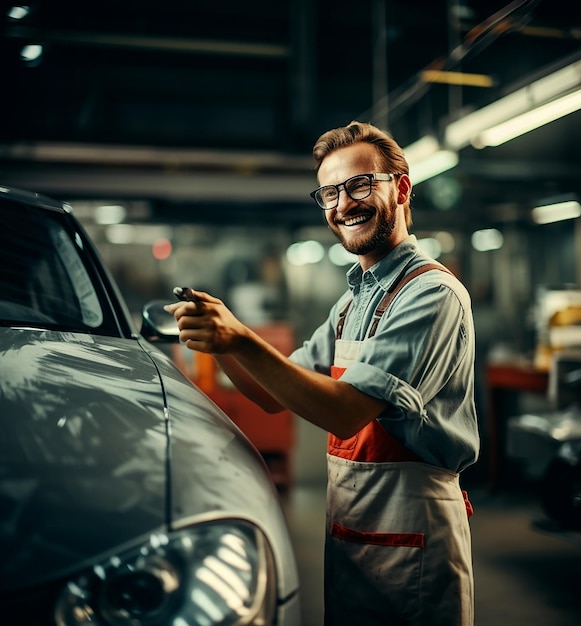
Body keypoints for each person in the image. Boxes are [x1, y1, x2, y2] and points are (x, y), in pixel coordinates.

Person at [165, 120, 480, 626]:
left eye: (359, 184)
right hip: (353, 532)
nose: (343, 203)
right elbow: (275, 394)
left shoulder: (432, 294)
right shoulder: (351, 301)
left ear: (400, 189)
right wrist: (218, 342)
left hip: (413, 531)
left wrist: (241, 338)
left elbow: (346, 411)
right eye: (330, 192)